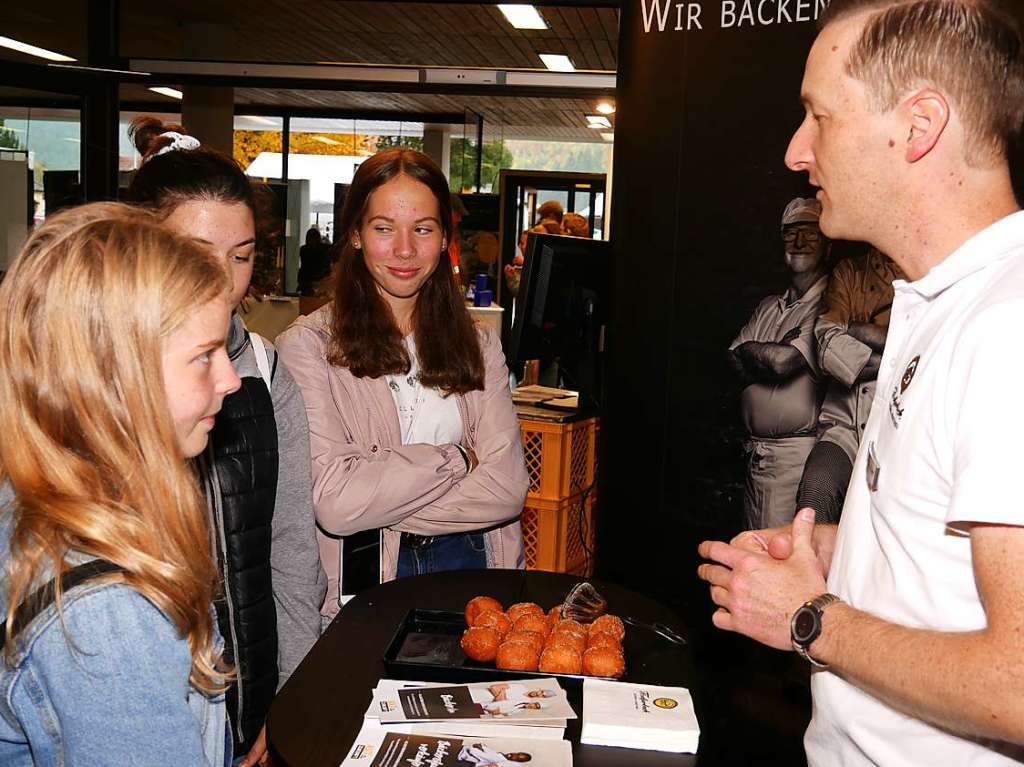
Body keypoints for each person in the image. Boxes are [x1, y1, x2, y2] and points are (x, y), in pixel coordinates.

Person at [698, 1, 1024, 764]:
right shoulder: (941, 301)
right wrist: (849, 549)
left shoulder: (1006, 327)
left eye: (819, 116)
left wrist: (811, 616)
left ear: (918, 125)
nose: (795, 150)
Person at [0, 203, 241, 765]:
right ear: (112, 380)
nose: (230, 379)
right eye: (204, 357)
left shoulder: (38, 505)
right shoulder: (102, 619)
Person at [126, 116, 325, 766]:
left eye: (242, 256)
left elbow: (293, 554)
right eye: (197, 253)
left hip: (252, 704)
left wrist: (287, 705)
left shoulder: (266, 371)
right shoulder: (91, 393)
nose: (224, 278)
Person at [276, 148, 528, 621]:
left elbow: (508, 489)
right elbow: (336, 504)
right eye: (384, 228)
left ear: (444, 239)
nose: (405, 250)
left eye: (423, 229)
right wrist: (458, 458)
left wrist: (376, 492)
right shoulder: (307, 347)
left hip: (475, 568)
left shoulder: (479, 345)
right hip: (368, 579)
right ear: (354, 234)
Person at [728, 198, 829, 529]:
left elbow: (783, 363)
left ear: (827, 243)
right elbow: (733, 359)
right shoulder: (770, 306)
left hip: (794, 460)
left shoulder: (830, 305)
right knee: (754, 552)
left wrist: (756, 351)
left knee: (782, 551)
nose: (799, 242)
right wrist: (766, 353)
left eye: (810, 233)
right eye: (790, 233)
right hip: (754, 457)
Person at [795, 247, 905, 521]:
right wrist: (898, 356)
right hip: (844, 425)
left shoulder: (930, 271)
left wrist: (863, 331)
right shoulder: (850, 272)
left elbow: (938, 341)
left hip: (903, 426)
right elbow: (826, 340)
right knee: (817, 490)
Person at [298, 226, 331, 296]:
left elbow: (305, 267)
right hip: (322, 279)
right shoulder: (325, 249)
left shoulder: (304, 250)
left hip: (306, 281)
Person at [457, 743, 532, 765]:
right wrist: (482, 747)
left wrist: (478, 747)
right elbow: (486, 751)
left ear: (517, 761)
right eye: (517, 754)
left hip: (462, 755)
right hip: (464, 751)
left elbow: (477, 752)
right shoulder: (500, 755)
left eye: (517, 758)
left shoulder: (499, 759)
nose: (514, 755)